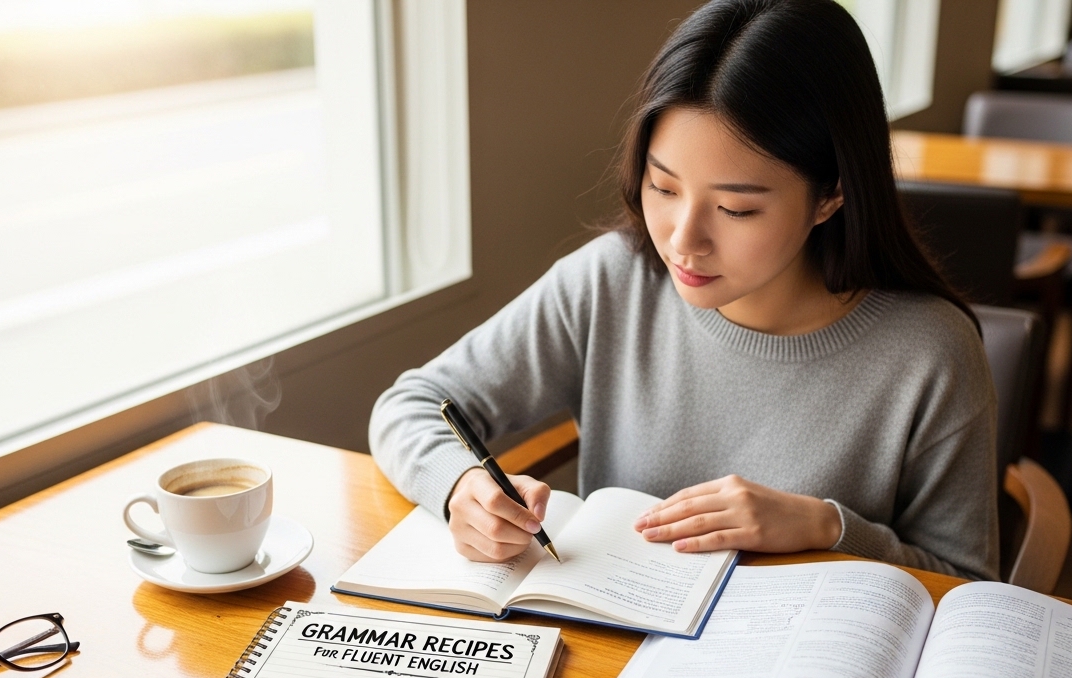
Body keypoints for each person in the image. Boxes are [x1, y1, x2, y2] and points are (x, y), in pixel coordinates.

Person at [369, 0, 999, 581]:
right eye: (664, 187)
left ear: (831, 195)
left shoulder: (930, 352)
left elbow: (968, 587)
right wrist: (460, 486)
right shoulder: (613, 281)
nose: (682, 240)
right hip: (611, 647)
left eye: (735, 209)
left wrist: (826, 528)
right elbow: (411, 403)